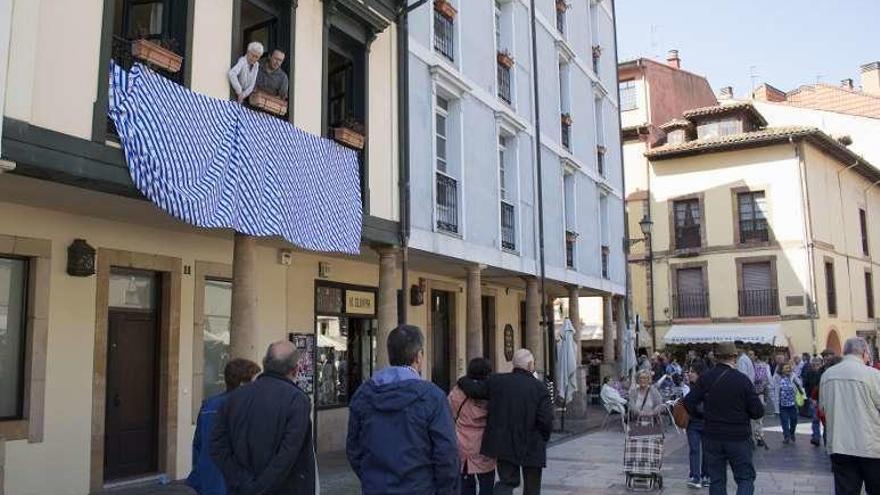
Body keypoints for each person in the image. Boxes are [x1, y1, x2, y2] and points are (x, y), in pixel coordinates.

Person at [347, 325, 459, 494]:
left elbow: (354, 448)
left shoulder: (363, 394)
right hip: (419, 488)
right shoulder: (433, 397)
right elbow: (447, 455)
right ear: (419, 356)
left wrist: (371, 479)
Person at [211, 341, 316, 495]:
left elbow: (217, 446)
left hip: (241, 488)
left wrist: (242, 481)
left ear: (265, 363)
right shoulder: (297, 400)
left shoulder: (234, 398)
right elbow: (289, 453)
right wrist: (259, 486)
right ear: (296, 370)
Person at [457, 349, 553, 495]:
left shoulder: (497, 381)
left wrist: (462, 380)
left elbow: (475, 390)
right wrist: (543, 438)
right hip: (532, 443)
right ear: (529, 365)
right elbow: (546, 419)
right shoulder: (540, 388)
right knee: (532, 487)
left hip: (504, 442)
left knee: (507, 482)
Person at [684, 342, 764, 495]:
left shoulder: (705, 378)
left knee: (717, 480)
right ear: (734, 357)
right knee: (745, 478)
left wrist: (704, 413)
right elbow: (758, 411)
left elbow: (688, 403)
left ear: (715, 358)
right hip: (738, 436)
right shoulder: (743, 380)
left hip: (712, 436)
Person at [188, 359, 261, 495]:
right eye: (256, 381)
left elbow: (198, 445)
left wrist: (198, 476)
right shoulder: (247, 408)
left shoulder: (208, 406)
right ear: (243, 384)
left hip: (208, 481)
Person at [820, 337, 880, 494]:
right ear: (864, 353)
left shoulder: (827, 375)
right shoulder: (873, 375)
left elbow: (822, 408)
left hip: (839, 444)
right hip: (870, 445)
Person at [449, 358, 496, 495]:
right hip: (485, 444)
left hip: (462, 443)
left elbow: (449, 410)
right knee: (487, 485)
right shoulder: (492, 391)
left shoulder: (458, 391)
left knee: (465, 486)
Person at [684, 362, 710, 489]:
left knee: (706, 450)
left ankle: (705, 475)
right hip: (693, 423)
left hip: (705, 422)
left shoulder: (707, 387)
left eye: (692, 371)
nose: (689, 374)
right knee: (694, 450)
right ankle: (696, 476)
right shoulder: (688, 387)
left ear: (699, 374)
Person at [774, 362, 802, 444]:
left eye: (789, 368)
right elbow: (774, 389)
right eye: (786, 368)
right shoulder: (777, 377)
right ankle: (786, 436)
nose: (788, 369)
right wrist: (775, 401)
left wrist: (796, 382)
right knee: (784, 421)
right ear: (781, 370)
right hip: (782, 404)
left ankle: (792, 432)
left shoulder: (793, 375)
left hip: (793, 403)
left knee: (794, 420)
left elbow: (800, 384)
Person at [801, 356, 824, 447]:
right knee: (815, 419)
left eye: (817, 363)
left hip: (823, 398)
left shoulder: (824, 372)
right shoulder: (809, 373)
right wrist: (809, 396)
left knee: (824, 419)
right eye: (814, 363)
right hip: (813, 399)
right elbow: (806, 385)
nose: (815, 365)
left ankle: (824, 436)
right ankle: (816, 437)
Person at [751, 354, 772, 448]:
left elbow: (761, 379)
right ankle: (758, 436)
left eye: (752, 354)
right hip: (759, 393)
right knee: (758, 418)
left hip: (758, 393)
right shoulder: (762, 366)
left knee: (757, 418)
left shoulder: (761, 366)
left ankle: (758, 437)